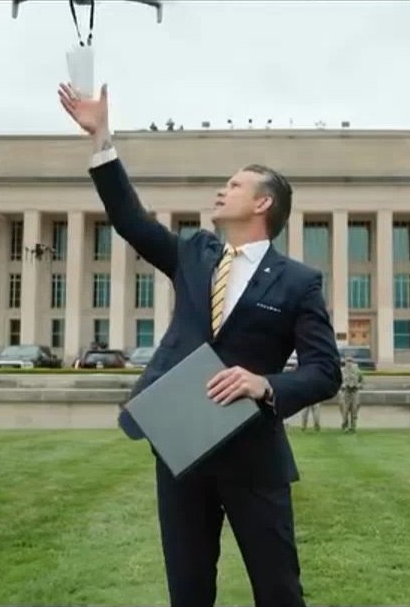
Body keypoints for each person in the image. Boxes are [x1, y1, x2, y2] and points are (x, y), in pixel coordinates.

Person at [58, 82, 341, 607]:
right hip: (181, 448)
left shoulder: (299, 282)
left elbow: (326, 372)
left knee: (278, 591)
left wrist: (264, 384)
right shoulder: (194, 255)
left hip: (254, 458)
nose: (221, 191)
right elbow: (131, 221)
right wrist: (101, 138)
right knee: (187, 593)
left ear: (263, 202)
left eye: (234, 185)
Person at [338, 354, 364, 432]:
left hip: (354, 392)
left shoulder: (357, 370)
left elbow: (362, 381)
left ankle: (353, 426)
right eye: (347, 361)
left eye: (350, 361)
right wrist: (342, 385)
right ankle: (345, 425)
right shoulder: (342, 371)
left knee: (354, 410)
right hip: (345, 392)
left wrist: (359, 385)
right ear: (345, 362)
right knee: (345, 410)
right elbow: (337, 382)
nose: (349, 363)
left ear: (352, 362)